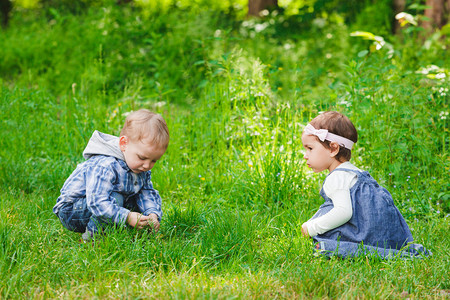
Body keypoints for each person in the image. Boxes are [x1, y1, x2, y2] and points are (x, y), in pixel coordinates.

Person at [301, 111, 429, 258]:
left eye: (310, 148)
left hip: (362, 235)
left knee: (322, 239)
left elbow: (343, 212)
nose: (305, 155)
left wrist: (311, 228)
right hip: (383, 235)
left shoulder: (336, 178)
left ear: (333, 148)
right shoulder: (356, 173)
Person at [53, 109, 169, 241]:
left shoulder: (139, 166)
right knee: (116, 198)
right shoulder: (106, 164)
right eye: (142, 157)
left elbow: (146, 192)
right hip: (73, 210)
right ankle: (92, 240)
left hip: (101, 205)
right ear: (124, 144)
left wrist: (152, 214)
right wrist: (127, 216)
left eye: (153, 160)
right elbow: (97, 202)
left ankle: (131, 233)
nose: (147, 166)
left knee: (135, 199)